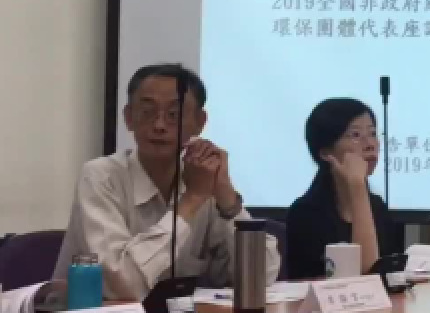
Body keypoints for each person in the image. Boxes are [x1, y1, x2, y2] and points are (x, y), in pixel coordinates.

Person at [54, 64, 280, 300]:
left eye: (174, 115)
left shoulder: (202, 178)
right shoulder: (101, 176)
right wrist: (191, 200)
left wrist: (227, 197)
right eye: (147, 112)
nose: (159, 126)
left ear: (200, 122)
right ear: (128, 118)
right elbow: (122, 286)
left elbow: (263, 276)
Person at [286, 98, 394, 280]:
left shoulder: (378, 207)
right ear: (325, 153)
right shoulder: (305, 213)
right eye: (355, 135)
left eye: (373, 133)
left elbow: (387, 276)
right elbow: (366, 274)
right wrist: (357, 187)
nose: (370, 144)